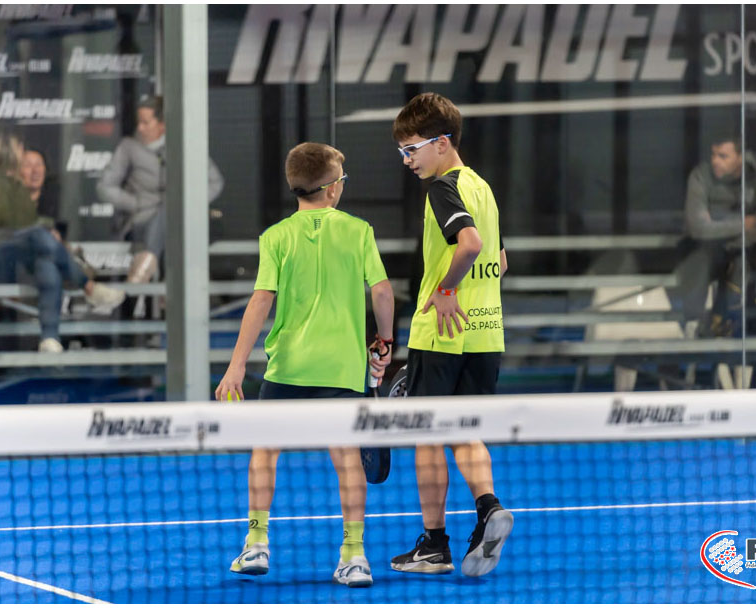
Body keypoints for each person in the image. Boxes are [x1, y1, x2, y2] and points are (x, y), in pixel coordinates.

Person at [214, 142, 395, 587]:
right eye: (342, 180)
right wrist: (385, 340)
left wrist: (236, 366)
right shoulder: (359, 231)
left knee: (265, 450)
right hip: (341, 369)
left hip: (288, 368)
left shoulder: (275, 236)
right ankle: (354, 555)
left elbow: (261, 301)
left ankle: (256, 543)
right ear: (331, 189)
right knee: (347, 458)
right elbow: (382, 291)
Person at [390, 92, 512, 578]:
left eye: (412, 149)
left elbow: (471, 244)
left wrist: (444, 289)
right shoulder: (484, 189)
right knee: (465, 431)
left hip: (440, 334)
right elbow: (501, 260)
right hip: (485, 333)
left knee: (427, 435)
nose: (407, 160)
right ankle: (487, 508)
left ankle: (434, 545)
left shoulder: (443, 188)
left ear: (442, 143)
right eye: (402, 151)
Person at [0, 132, 125, 352]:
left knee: (46, 263)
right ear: (6, 151)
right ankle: (88, 286)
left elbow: (27, 220)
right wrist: (42, 226)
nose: (22, 157)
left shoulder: (14, 184)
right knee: (38, 235)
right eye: (20, 151)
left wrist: (41, 227)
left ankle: (49, 338)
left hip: (13, 257)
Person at [96, 95, 225, 284]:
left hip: (179, 220)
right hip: (142, 219)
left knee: (171, 208)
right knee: (169, 217)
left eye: (145, 123)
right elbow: (105, 187)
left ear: (163, 125)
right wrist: (136, 203)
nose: (140, 128)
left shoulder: (184, 145)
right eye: (138, 122)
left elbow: (214, 182)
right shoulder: (129, 147)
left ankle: (146, 266)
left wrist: (189, 203)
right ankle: (171, 285)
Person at [675, 132, 756, 336]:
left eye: (723, 156)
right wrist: (744, 223)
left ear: (740, 157)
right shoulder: (700, 176)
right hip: (706, 250)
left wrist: (720, 228)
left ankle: (750, 324)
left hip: (746, 250)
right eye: (713, 155)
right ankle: (695, 323)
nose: (715, 161)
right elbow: (699, 228)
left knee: (753, 259)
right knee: (700, 254)